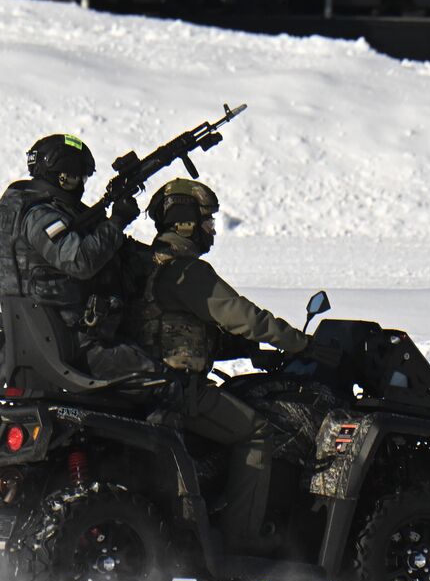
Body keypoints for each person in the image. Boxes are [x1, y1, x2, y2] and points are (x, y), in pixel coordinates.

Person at [122, 179, 337, 553]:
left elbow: (176, 334)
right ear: (186, 221)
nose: (212, 229)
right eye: (206, 220)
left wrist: (250, 352)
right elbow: (245, 317)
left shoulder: (145, 267)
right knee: (257, 432)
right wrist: (302, 344)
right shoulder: (187, 272)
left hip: (145, 388)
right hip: (177, 394)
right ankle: (240, 542)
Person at [0, 134, 159, 394]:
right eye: (80, 177)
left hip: (25, 343)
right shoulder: (40, 215)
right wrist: (116, 222)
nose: (82, 184)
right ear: (65, 176)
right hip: (70, 343)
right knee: (162, 383)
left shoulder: (14, 214)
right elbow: (79, 261)